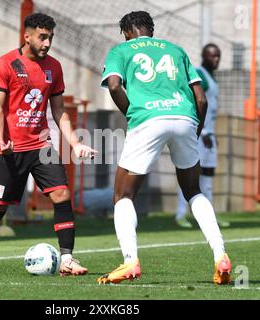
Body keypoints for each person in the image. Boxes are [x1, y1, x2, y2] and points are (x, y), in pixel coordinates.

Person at [97, 11, 231, 285]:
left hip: (147, 118)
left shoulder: (121, 50)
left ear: (126, 32)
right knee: (194, 190)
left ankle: (130, 260)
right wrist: (196, 127)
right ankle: (220, 255)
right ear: (151, 30)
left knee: (123, 195)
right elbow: (201, 99)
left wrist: (132, 114)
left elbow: (114, 86)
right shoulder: (176, 50)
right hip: (185, 116)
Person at [0, 13, 97, 276]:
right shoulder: (5, 64)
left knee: (62, 194)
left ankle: (67, 260)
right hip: (11, 148)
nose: (47, 42)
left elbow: (60, 110)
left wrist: (74, 143)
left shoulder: (54, 67)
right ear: (26, 35)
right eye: (42, 37)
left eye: (50, 37)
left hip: (41, 145)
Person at [175, 44, 230, 228]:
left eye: (218, 56)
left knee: (208, 174)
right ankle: (180, 214)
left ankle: (209, 215)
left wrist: (212, 133)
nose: (216, 60)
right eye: (212, 56)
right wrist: (204, 131)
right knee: (189, 174)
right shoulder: (199, 75)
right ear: (204, 57)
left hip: (208, 135)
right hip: (198, 133)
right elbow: (195, 103)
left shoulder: (212, 77)